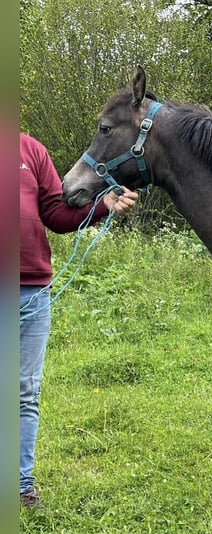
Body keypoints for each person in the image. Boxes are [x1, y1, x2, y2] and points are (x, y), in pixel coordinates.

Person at [19, 132, 139, 508]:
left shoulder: (30, 148)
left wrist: (104, 204)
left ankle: (21, 487)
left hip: (32, 291)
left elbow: (55, 214)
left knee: (25, 393)